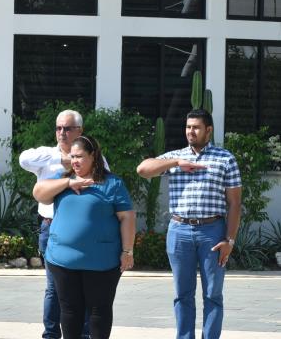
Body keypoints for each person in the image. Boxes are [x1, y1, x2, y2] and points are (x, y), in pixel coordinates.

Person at [136, 109, 242, 339]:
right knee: (182, 293)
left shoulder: (226, 159)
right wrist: (175, 162)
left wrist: (229, 240)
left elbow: (234, 203)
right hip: (179, 230)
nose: (190, 131)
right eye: (188, 127)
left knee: (213, 294)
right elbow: (142, 170)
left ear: (209, 130)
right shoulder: (176, 156)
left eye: (196, 127)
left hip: (212, 231)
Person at [33, 135, 135, 339]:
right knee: (69, 310)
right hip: (62, 260)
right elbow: (39, 193)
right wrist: (68, 183)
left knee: (99, 311)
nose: (75, 161)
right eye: (72, 157)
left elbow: (128, 217)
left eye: (80, 156)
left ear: (93, 156)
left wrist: (127, 251)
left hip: (102, 263)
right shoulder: (64, 180)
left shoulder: (112, 183)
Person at [19, 109, 94, 339]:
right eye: (59, 128)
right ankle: (50, 335)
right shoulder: (46, 155)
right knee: (55, 287)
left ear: (79, 131)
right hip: (51, 227)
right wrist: (61, 159)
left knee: (82, 287)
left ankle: (83, 334)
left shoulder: (91, 156)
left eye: (68, 128)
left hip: (81, 231)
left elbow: (105, 181)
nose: (62, 132)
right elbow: (23, 159)